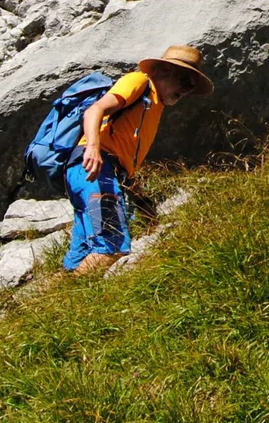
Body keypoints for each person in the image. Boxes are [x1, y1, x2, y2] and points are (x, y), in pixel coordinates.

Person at [67, 44, 213, 273]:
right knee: (111, 246)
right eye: (185, 81)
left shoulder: (153, 107)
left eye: (191, 87)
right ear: (164, 70)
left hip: (95, 171)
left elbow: (125, 164)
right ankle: (67, 300)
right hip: (95, 167)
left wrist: (144, 204)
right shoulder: (139, 81)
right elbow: (94, 111)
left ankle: (38, 303)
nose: (186, 90)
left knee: (81, 257)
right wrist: (93, 149)